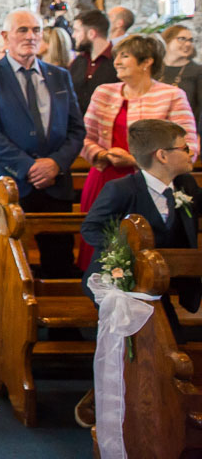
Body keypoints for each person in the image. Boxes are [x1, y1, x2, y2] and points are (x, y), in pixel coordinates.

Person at [0, 9, 85, 278]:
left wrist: (55, 164)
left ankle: (61, 316)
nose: (30, 36)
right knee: (4, 264)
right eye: (22, 30)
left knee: (59, 261)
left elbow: (76, 129)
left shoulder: (59, 76)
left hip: (54, 184)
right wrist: (28, 167)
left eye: (35, 30)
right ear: (5, 36)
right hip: (8, 183)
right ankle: (0, 320)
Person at [77, 34, 198, 269]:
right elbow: (84, 137)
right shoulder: (104, 92)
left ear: (146, 62)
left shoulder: (172, 95)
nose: (117, 62)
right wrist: (103, 155)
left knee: (146, 251)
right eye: (116, 57)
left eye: (125, 56)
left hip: (152, 182)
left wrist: (134, 160)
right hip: (105, 178)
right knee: (101, 252)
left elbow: (188, 147)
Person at [80, 118, 199, 320]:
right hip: (126, 284)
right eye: (185, 148)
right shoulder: (122, 189)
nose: (191, 153)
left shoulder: (185, 185)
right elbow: (91, 228)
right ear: (162, 155)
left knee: (173, 336)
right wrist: (126, 253)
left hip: (166, 281)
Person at [68, 9, 117, 114]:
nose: (73, 35)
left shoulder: (118, 62)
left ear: (91, 33)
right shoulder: (78, 62)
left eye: (76, 30)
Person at [160, 24, 202, 131]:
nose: (188, 44)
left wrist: (197, 133)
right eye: (182, 39)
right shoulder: (153, 68)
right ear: (167, 40)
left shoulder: (198, 71)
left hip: (184, 131)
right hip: (156, 130)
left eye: (191, 40)